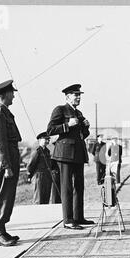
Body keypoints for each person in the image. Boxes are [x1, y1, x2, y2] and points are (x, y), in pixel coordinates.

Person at [47, 84, 93, 229]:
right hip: (65, 154)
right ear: (67, 97)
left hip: (78, 154)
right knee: (66, 187)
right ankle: (68, 220)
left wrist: (86, 127)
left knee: (79, 186)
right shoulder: (60, 110)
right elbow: (50, 130)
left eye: (80, 95)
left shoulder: (79, 113)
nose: (79, 97)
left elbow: (82, 135)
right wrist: (67, 125)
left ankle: (78, 217)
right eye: (76, 95)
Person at [0, 79, 21, 246]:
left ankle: (2, 230)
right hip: (4, 161)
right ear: (6, 94)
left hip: (10, 158)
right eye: (12, 93)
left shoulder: (4, 111)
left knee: (8, 196)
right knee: (3, 196)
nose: (14, 96)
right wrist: (7, 166)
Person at [27, 132, 54, 204]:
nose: (47, 141)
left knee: (46, 196)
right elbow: (31, 164)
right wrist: (29, 175)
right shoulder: (37, 151)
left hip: (47, 175)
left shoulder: (47, 151)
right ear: (40, 140)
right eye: (45, 139)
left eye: (48, 139)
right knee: (39, 197)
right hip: (39, 176)